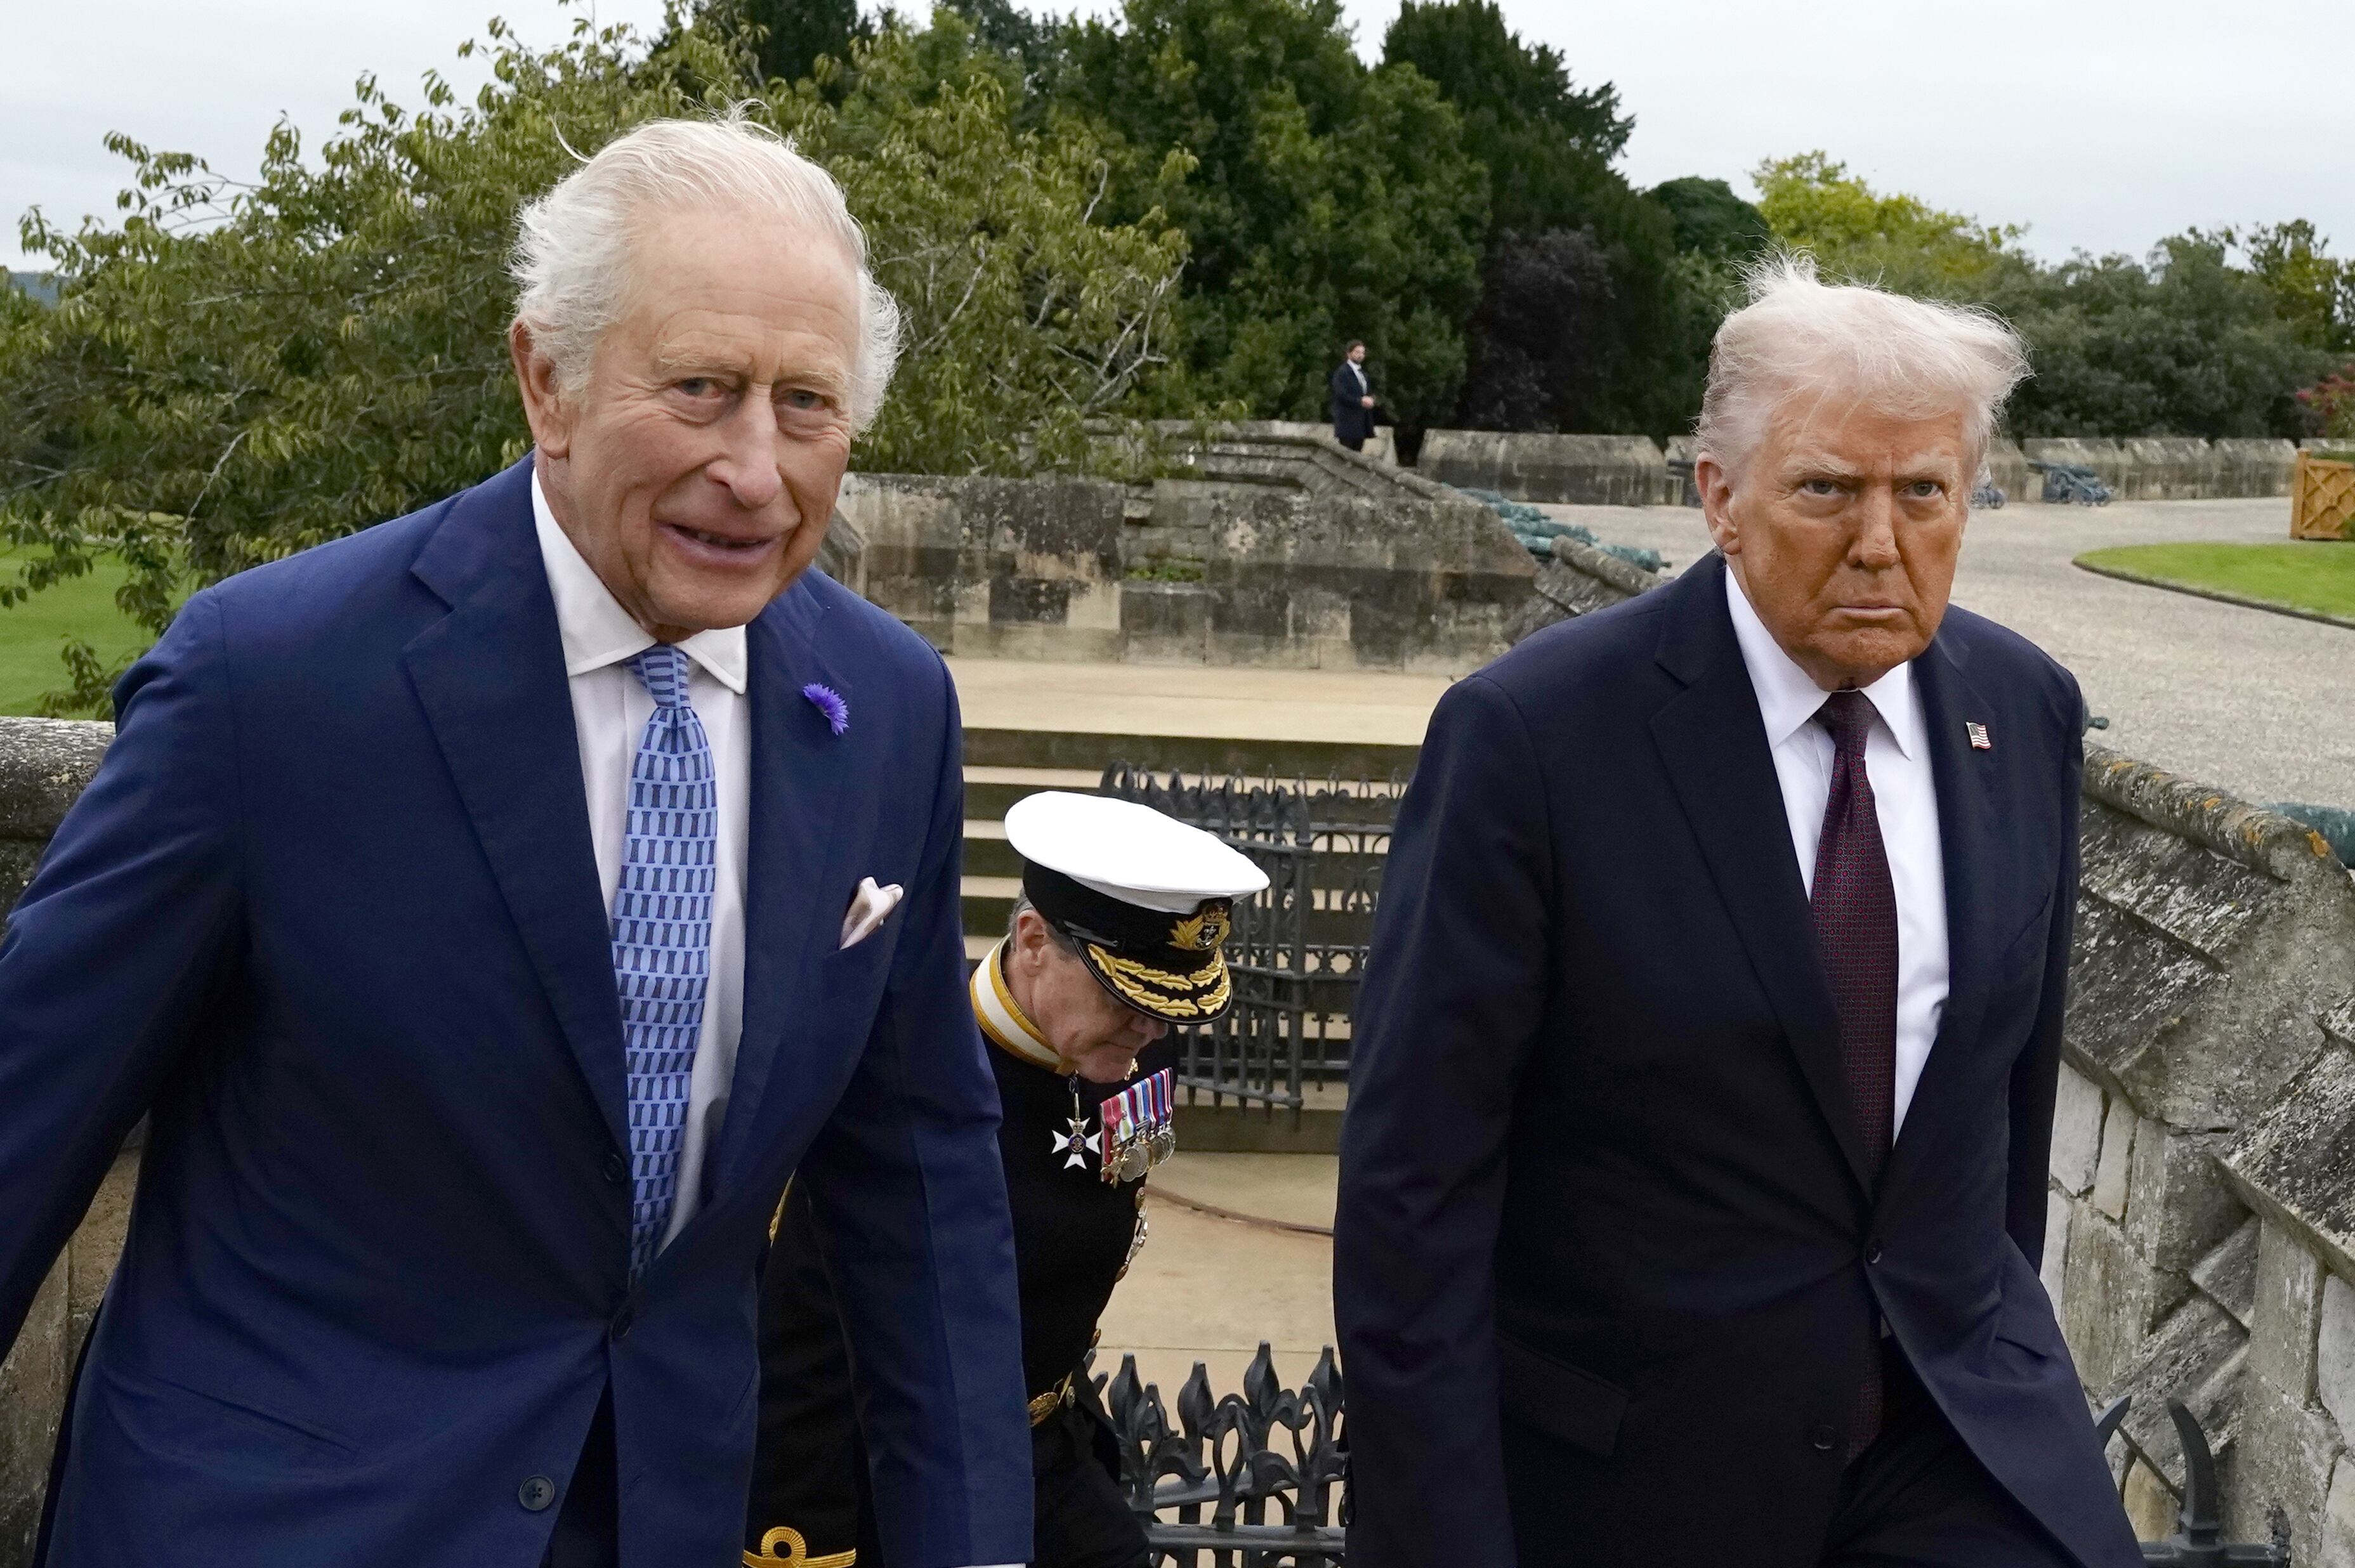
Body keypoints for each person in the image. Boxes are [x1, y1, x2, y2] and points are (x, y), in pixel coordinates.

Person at [0, 117, 1032, 1568]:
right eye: (702, 389)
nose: (756, 469)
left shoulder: (890, 710)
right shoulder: (270, 684)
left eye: (806, 404)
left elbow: (921, 1186)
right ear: (546, 381)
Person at [1334, 257, 2142, 1568]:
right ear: (1717, 496)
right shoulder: (1532, 741)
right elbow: (1411, 1192)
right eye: (1826, 488)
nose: (1879, 541)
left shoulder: (2025, 710)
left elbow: (2004, 1111)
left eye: (1922, 492)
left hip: (1948, 1446)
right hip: (1639, 1477)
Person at [745, 791, 1266, 1568]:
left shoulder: (1129, 1048)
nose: (1152, 1029)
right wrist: (802, 1542)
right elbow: (803, 1344)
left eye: (1169, 1009)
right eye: (1128, 998)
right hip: (892, 1479)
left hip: (1038, 1444)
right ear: (1031, 940)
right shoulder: (902, 1079)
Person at [1328, 341, 1375, 452]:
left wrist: (1371, 400)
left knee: (1358, 455)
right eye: (1357, 352)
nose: (1360, 355)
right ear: (1349, 354)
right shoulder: (1342, 372)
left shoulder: (1363, 374)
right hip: (1347, 423)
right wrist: (1360, 401)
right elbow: (1341, 395)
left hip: (1361, 423)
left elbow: (1367, 392)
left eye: (1363, 353)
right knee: (1346, 455)